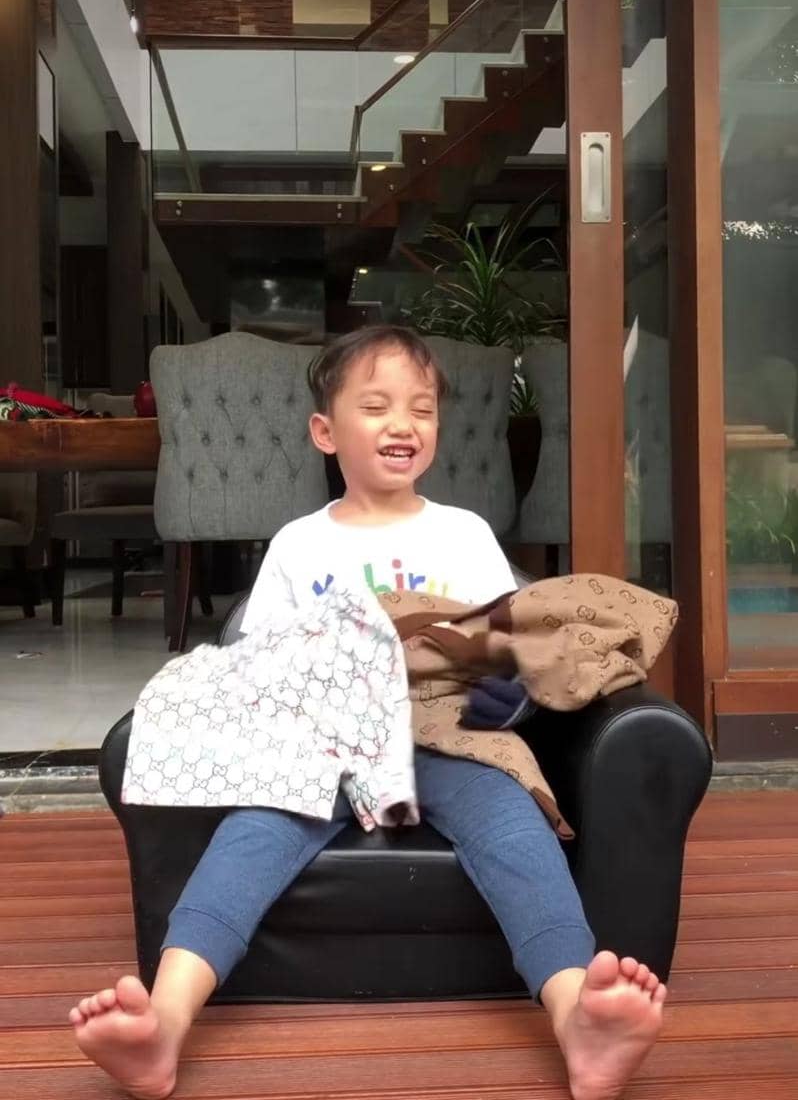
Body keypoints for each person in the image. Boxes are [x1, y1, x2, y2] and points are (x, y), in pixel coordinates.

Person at [68, 326, 666, 1100]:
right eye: (377, 406)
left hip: (446, 738)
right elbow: (263, 661)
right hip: (325, 741)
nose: (403, 424)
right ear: (325, 432)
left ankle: (577, 1017)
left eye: (422, 408)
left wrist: (499, 684)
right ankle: (164, 1024)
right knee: (252, 835)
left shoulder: (463, 533)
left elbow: (507, 641)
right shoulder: (298, 544)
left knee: (515, 828)